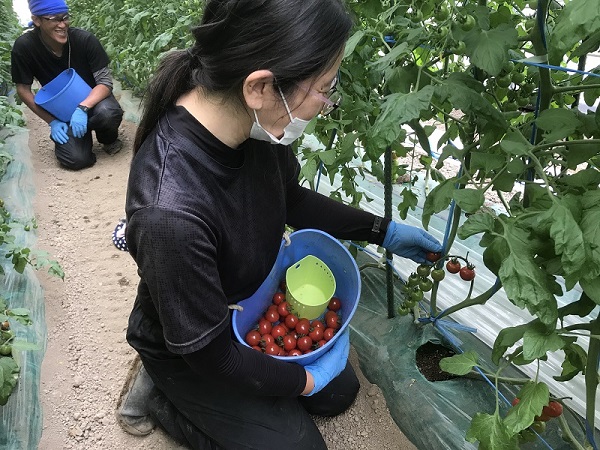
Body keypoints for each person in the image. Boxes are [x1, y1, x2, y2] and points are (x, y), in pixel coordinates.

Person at [117, 0, 443, 448]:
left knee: (339, 394)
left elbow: (289, 199)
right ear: (262, 87)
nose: (327, 103)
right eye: (325, 89)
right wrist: (304, 382)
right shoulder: (170, 212)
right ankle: (162, 393)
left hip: (243, 300)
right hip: (195, 343)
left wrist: (381, 231)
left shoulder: (254, 124)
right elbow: (216, 357)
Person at [11, 0, 124, 170]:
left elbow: (105, 82)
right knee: (76, 160)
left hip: (94, 102)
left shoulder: (84, 40)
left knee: (107, 113)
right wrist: (52, 121)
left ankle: (107, 138)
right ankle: (79, 139)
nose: (63, 25)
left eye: (65, 18)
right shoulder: (24, 47)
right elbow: (23, 89)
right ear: (37, 20)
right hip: (63, 113)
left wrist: (83, 107)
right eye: (55, 19)